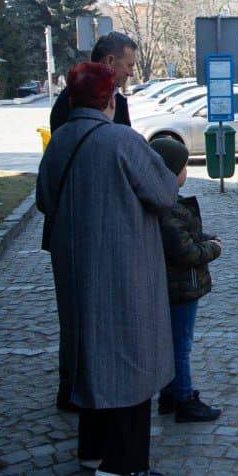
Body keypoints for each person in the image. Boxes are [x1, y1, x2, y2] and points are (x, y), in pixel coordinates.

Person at [37, 62, 179, 476]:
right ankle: (125, 463)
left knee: (90, 353)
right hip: (123, 267)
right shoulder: (121, 140)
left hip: (75, 267)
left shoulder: (60, 141)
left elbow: (45, 200)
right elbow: (163, 193)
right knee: (131, 355)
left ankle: (91, 449)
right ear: (110, 99)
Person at [48, 31, 138, 412]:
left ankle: (95, 383)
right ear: (109, 63)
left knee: (96, 313)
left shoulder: (117, 102)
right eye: (128, 65)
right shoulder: (72, 105)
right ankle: (75, 388)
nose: (131, 73)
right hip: (82, 227)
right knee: (79, 314)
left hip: (101, 226)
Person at [148, 138, 224, 423]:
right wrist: (213, 249)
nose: (187, 171)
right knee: (181, 345)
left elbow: (185, 237)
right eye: (184, 166)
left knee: (174, 343)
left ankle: (170, 393)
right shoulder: (168, 207)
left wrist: (204, 237)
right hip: (180, 287)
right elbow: (185, 251)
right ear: (171, 172)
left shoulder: (165, 201)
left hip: (173, 286)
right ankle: (183, 398)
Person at [49, 32, 139, 132]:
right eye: (129, 65)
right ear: (110, 61)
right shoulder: (71, 99)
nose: (131, 73)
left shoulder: (119, 100)